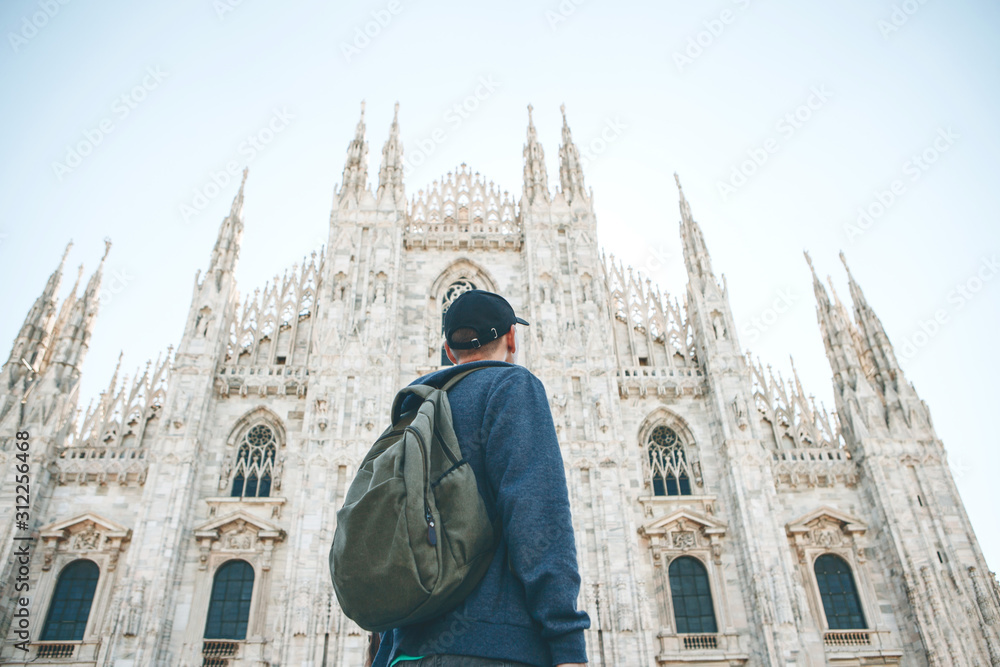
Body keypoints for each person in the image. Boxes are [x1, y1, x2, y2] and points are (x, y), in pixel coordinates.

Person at [370, 289, 589, 667]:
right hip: (495, 649)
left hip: (405, 653)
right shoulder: (513, 387)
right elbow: (538, 518)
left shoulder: (414, 407)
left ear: (449, 351)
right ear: (511, 338)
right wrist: (568, 643)